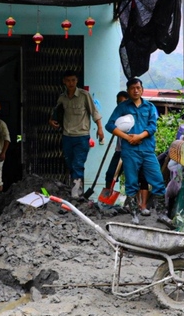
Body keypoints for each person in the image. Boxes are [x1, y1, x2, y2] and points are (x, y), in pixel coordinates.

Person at [105, 77, 171, 226]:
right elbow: (109, 125)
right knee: (131, 183)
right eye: (132, 88)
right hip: (129, 151)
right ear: (128, 90)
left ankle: (161, 214)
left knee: (158, 181)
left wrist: (140, 136)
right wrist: (127, 137)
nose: (135, 90)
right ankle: (134, 215)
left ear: (142, 89)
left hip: (147, 150)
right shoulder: (123, 107)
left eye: (138, 88)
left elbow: (153, 127)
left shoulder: (149, 107)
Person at [49, 70, 104, 198]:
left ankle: (76, 192)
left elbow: (94, 113)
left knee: (78, 163)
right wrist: (52, 121)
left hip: (82, 136)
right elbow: (56, 113)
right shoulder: (62, 98)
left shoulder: (85, 95)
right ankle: (76, 187)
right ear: (64, 82)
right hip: (67, 136)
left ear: (77, 80)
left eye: (73, 80)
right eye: (68, 80)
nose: (71, 83)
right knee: (70, 163)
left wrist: (100, 129)